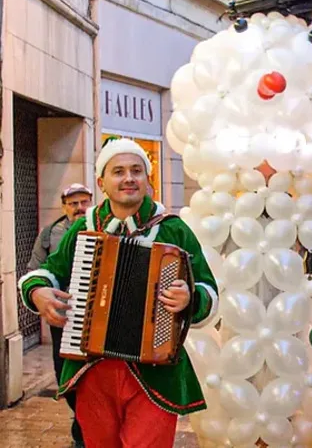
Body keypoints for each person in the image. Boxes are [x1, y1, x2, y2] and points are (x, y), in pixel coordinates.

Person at [18, 137, 218, 448]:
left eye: (136, 171)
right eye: (119, 171)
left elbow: (208, 289)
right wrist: (38, 293)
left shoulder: (174, 229)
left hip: (156, 373)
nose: (128, 178)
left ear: (147, 179)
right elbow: (46, 273)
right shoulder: (84, 228)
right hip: (93, 368)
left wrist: (191, 297)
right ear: (102, 181)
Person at [27, 183, 93, 447]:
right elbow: (35, 270)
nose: (79, 208)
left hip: (95, 315)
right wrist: (42, 293)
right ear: (65, 205)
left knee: (93, 374)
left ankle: (88, 430)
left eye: (84, 202)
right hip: (64, 316)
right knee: (64, 371)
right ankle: (80, 422)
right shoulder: (49, 235)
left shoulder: (101, 226)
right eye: (73, 203)